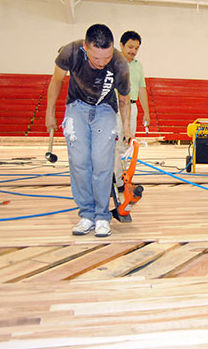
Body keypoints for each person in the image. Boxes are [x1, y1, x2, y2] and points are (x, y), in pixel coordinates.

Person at [46, 24, 131, 237]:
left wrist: (127, 126)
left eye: (106, 57)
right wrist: (50, 112)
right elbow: (56, 81)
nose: (102, 63)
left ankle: (102, 216)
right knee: (79, 162)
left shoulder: (119, 62)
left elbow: (123, 98)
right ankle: (87, 214)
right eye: (96, 59)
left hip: (105, 109)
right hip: (76, 107)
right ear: (85, 47)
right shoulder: (71, 52)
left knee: (102, 164)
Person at [114, 30, 150, 191]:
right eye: (130, 47)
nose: (133, 51)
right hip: (115, 107)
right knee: (114, 145)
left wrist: (146, 113)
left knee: (127, 144)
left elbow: (142, 89)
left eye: (136, 48)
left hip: (132, 107)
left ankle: (123, 178)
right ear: (121, 45)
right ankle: (114, 180)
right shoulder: (113, 62)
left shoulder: (138, 65)